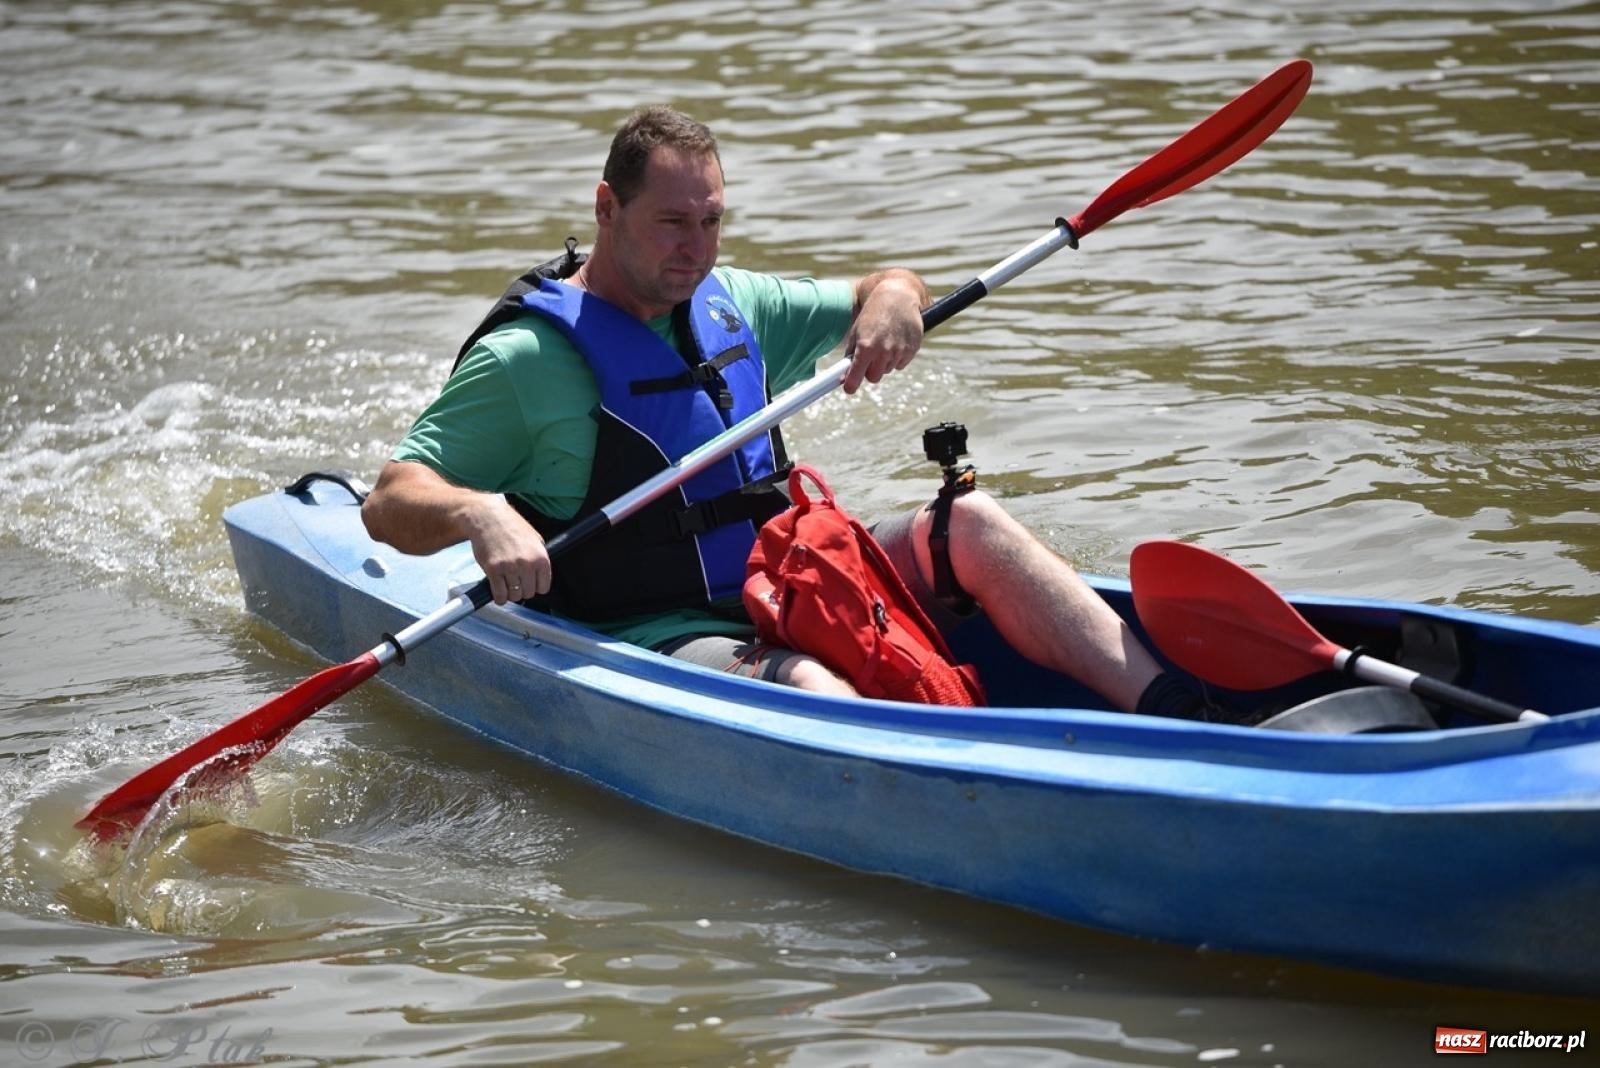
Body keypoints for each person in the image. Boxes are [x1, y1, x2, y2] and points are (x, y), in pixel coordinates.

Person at [362, 105, 1202, 717]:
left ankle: (1177, 711)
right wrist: (479, 512)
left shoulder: (738, 302)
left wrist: (894, 302)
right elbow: (390, 499)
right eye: (671, 223)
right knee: (806, 683)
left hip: (786, 575)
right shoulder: (526, 361)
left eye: (711, 221)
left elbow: (885, 283)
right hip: (656, 628)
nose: (695, 248)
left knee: (971, 521)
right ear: (607, 209)